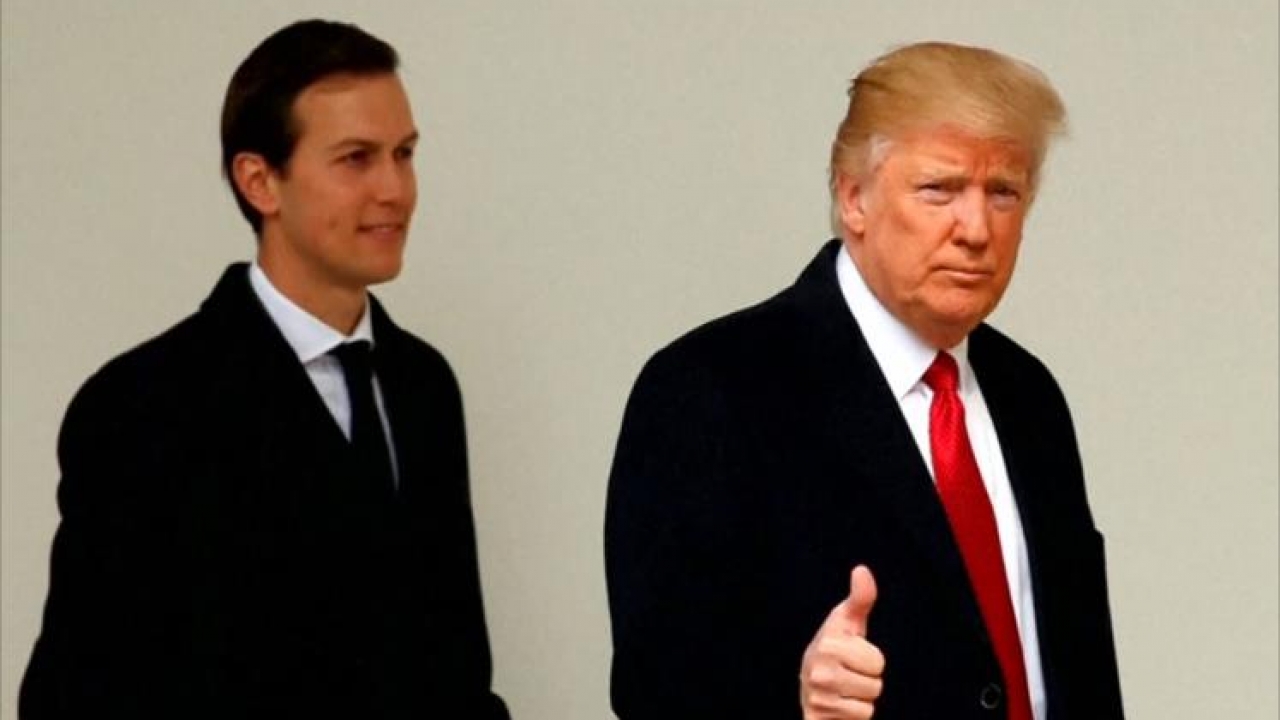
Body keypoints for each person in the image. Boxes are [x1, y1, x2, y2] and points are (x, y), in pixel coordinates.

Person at [605, 41, 1124, 720]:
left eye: (1003, 192)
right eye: (939, 189)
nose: (976, 229)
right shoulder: (711, 392)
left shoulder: (1030, 396)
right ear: (853, 197)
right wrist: (797, 700)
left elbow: (1082, 676)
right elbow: (654, 691)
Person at [21, 19, 508, 719]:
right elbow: (77, 694)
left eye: (404, 154)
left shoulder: (424, 384)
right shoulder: (141, 406)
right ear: (259, 181)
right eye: (356, 159)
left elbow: (454, 667)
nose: (395, 189)